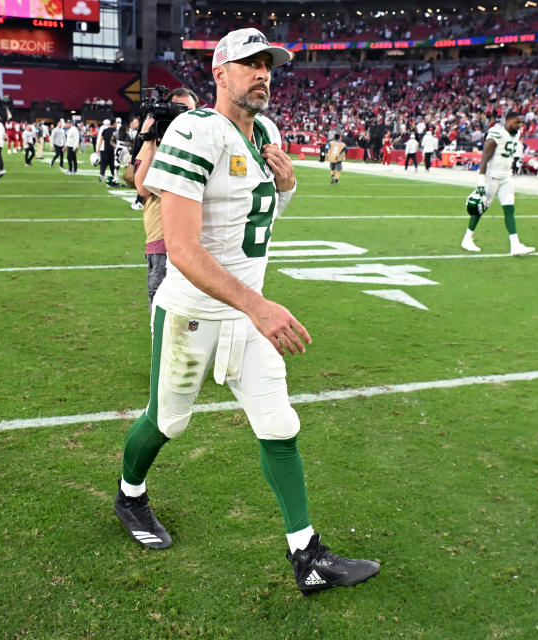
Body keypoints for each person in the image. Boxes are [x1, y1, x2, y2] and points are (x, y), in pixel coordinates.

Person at [114, 27, 380, 596]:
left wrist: (285, 189)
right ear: (220, 72)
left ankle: (306, 555)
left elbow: (251, 226)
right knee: (168, 422)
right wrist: (257, 305)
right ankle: (129, 496)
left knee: (278, 422)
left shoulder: (268, 134)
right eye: (249, 63)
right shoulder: (193, 130)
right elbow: (182, 249)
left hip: (246, 312)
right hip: (192, 309)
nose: (262, 73)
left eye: (268, 64)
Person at [132, 87, 198, 309]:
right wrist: (149, 139)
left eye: (189, 111)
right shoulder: (153, 144)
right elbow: (142, 187)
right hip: (163, 243)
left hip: (200, 245)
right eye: (177, 111)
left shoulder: (205, 144)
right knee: (162, 315)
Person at [461, 111, 535, 256]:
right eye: (517, 122)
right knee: (481, 207)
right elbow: (484, 158)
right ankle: (467, 239)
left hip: (506, 177)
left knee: (509, 210)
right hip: (492, 177)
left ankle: (515, 245)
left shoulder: (516, 135)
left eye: (521, 122)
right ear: (508, 121)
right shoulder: (497, 132)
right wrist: (481, 181)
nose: (519, 125)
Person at [96, 118, 117, 184]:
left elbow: (101, 139)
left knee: (103, 163)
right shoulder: (116, 130)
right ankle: (114, 176)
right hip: (113, 150)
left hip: (105, 149)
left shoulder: (105, 130)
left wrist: (98, 148)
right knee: (112, 164)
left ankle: (102, 175)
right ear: (114, 123)